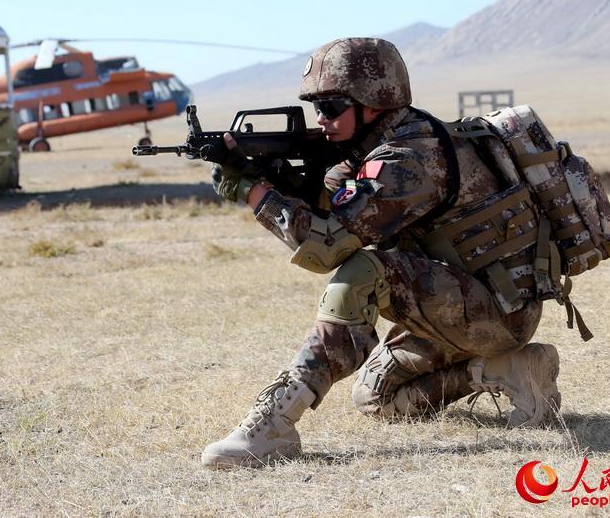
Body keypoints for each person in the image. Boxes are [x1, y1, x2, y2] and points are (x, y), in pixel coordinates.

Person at [202, 37, 561, 470]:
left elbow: (326, 248)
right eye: (317, 106)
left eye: (332, 106)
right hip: (466, 305)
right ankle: (507, 369)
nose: (321, 118)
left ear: (374, 102)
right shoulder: (379, 148)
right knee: (378, 399)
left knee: (363, 271)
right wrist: (278, 181)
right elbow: (333, 202)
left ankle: (275, 423)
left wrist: (254, 192)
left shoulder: (409, 158)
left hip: (494, 312)